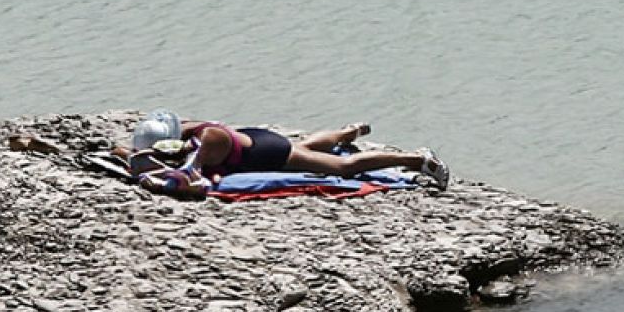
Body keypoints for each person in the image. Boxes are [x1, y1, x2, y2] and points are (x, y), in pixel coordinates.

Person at [120, 110, 451, 196]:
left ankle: (417, 159)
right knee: (304, 146)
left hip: (265, 152)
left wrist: (155, 179)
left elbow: (190, 179)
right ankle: (348, 132)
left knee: (343, 167)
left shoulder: (207, 140)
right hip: (248, 145)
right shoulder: (184, 134)